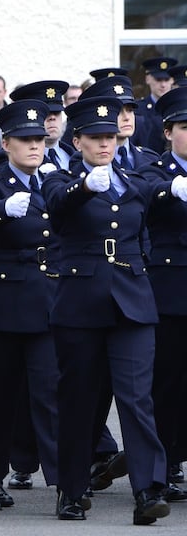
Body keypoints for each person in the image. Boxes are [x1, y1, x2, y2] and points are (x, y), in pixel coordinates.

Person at [43, 95, 171, 525]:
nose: (105, 145)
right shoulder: (59, 179)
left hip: (132, 302)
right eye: (95, 138)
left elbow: (146, 232)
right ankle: (71, 489)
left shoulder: (133, 181)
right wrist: (83, 187)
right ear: (76, 140)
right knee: (79, 400)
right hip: (81, 302)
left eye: (111, 137)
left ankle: (148, 489)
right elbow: (58, 211)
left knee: (137, 400)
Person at [0, 99, 61, 510]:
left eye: (39, 139)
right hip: (1, 307)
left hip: (46, 303)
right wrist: (5, 209)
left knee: (50, 394)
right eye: (25, 140)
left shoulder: (54, 181)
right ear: (6, 143)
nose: (34, 147)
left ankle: (66, 483)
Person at [137, 87, 187, 500]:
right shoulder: (155, 170)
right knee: (167, 381)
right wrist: (173, 188)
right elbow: (148, 193)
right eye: (186, 128)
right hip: (170, 290)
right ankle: (166, 463)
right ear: (168, 132)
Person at [137, 57, 178, 153]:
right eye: (158, 79)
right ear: (148, 79)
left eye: (166, 79)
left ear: (172, 80)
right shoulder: (138, 109)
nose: (163, 85)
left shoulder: (179, 108)